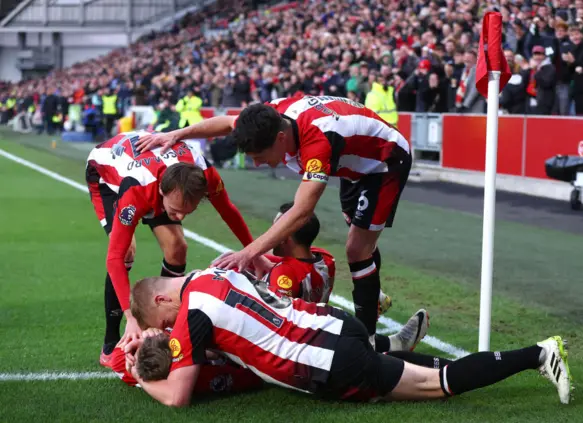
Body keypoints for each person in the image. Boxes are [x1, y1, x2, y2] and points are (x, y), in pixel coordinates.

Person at [135, 95, 412, 354]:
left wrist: (248, 252)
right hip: (354, 164)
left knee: (356, 249)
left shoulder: (317, 143)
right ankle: (372, 296)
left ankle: (368, 342)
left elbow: (302, 211)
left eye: (259, 156)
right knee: (360, 238)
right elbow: (226, 122)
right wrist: (177, 134)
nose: (256, 164)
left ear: (281, 138)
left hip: (384, 162)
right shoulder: (267, 118)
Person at [125, 269, 572, 407]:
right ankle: (392, 347)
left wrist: (141, 375)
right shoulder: (215, 272)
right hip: (333, 324)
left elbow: (178, 395)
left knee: (438, 385)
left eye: (165, 323)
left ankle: (538, 353)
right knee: (410, 370)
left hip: (323, 362)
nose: (169, 331)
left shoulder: (191, 312)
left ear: (165, 301)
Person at [85, 130, 254, 366]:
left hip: (160, 169)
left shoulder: (205, 175)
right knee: (125, 252)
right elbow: (113, 258)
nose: (180, 217)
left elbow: (228, 210)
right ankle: (111, 342)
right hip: (106, 176)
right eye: (175, 210)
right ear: (162, 192)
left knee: (177, 247)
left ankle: (160, 322)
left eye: (188, 211)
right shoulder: (137, 190)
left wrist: (253, 251)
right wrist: (130, 317)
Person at [262, 202, 425, 353]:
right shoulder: (325, 258)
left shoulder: (283, 274)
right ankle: (395, 343)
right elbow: (294, 260)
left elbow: (273, 325)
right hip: (312, 331)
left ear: (286, 238)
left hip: (290, 348)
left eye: (274, 230)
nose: (269, 234)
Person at [111, 328, 263, 395]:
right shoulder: (199, 378)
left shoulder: (121, 357)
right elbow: (254, 378)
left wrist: (144, 331)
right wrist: (216, 354)